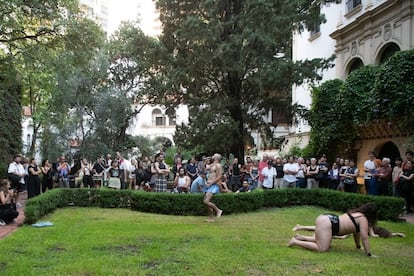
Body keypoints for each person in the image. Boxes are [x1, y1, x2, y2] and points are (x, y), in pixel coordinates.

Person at [288, 202, 378, 256]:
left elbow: (356, 233)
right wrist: (369, 253)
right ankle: (295, 242)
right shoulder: (363, 219)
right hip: (329, 223)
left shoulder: (357, 214)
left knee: (321, 241)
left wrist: (358, 246)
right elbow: (364, 237)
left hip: (328, 219)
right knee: (322, 249)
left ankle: (300, 237)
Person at [203, 153, 223, 222]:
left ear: (216, 158)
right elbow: (204, 168)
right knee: (207, 201)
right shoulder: (212, 165)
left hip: (213, 185)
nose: (212, 156)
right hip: (209, 184)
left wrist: (211, 183)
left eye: (214, 155)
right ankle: (210, 218)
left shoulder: (218, 165)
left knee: (206, 201)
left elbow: (219, 176)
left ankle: (218, 210)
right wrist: (205, 161)